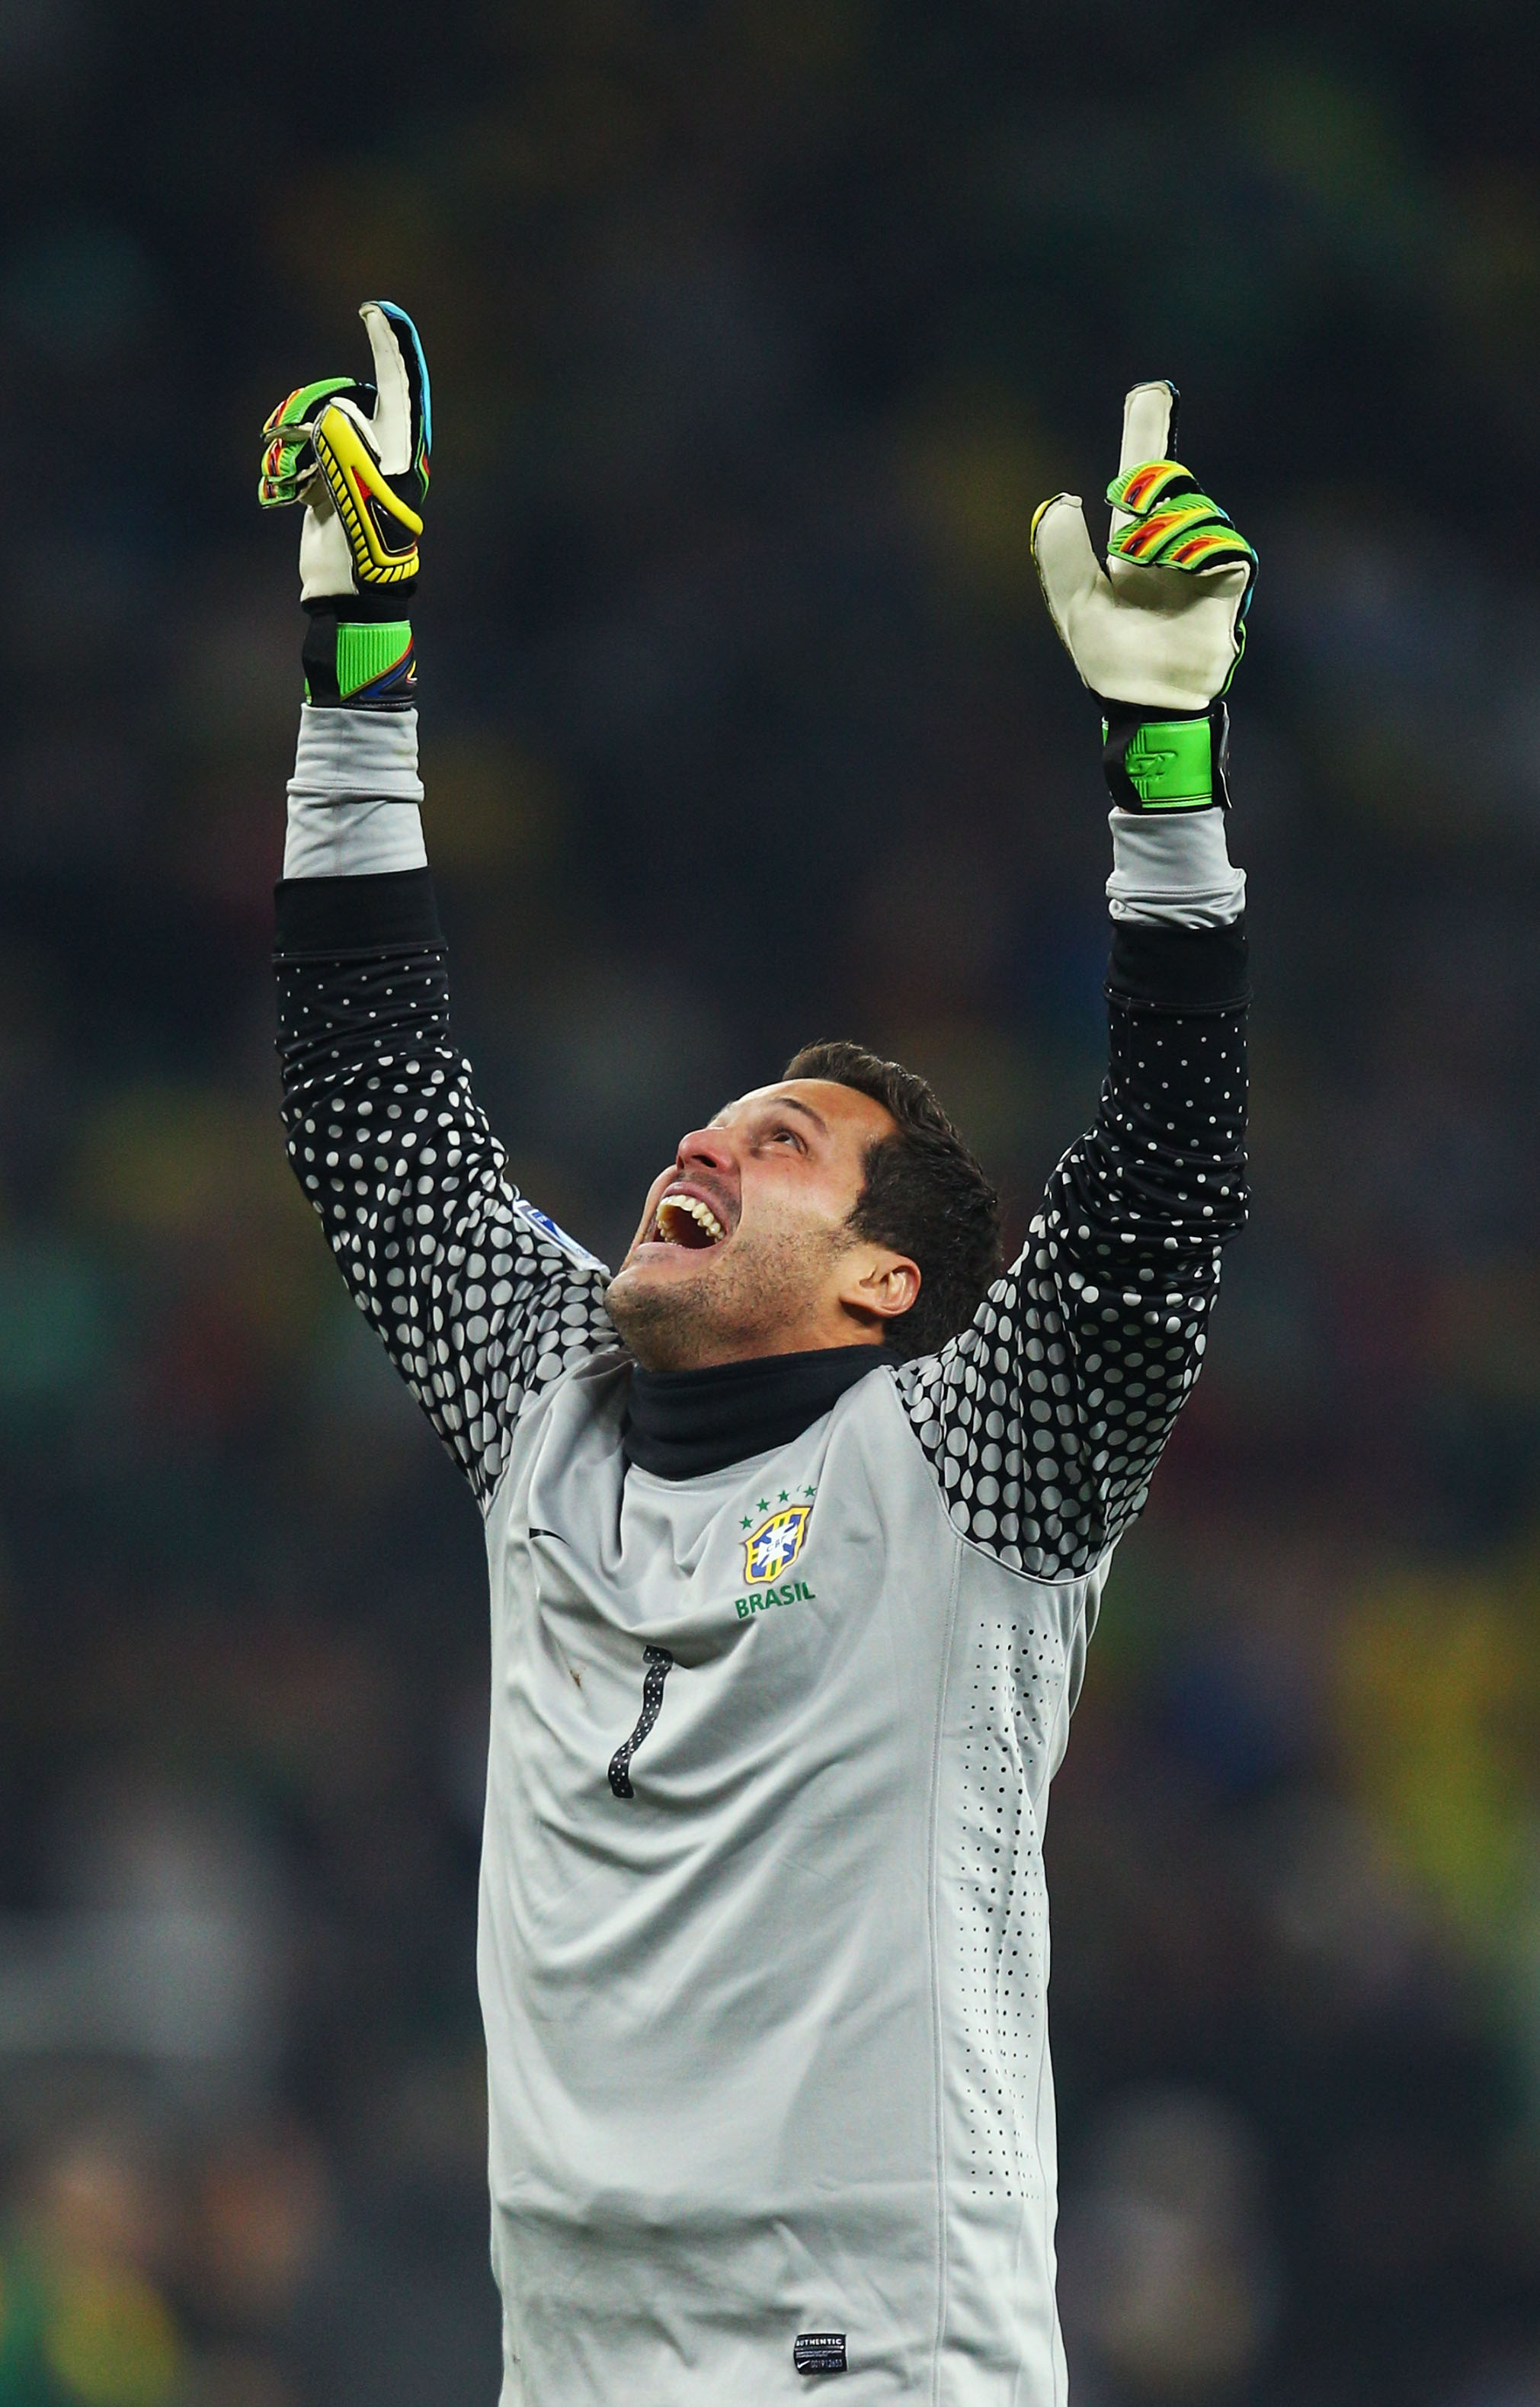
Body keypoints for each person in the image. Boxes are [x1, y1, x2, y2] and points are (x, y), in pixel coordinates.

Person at [261, 303, 1252, 2405]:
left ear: (890, 1286)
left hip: (874, 2368)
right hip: (580, 2366)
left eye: (785, 1144)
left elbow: (1157, 1211)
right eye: (708, 1122)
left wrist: (1166, 793)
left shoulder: (965, 1481)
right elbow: (376, 1113)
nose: (700, 1140)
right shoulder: (552, 1408)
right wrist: (358, 669)